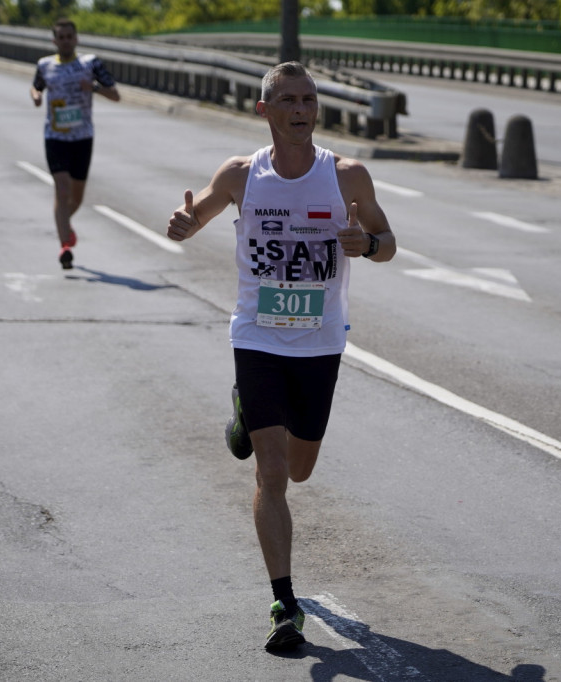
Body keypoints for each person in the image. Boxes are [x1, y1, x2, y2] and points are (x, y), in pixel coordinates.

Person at [167, 61, 396, 651]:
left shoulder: (347, 177)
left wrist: (366, 244)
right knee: (271, 474)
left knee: (300, 467)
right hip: (258, 337)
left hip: (320, 341)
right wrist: (186, 225)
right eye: (289, 100)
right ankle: (284, 603)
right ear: (265, 110)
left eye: (309, 100)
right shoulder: (244, 175)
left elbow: (388, 242)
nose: (301, 110)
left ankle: (244, 414)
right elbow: (200, 214)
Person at [30, 18, 119, 270]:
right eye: (61, 36)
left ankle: (64, 225)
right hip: (55, 137)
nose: (66, 40)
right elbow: (35, 87)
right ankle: (64, 247)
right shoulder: (45, 65)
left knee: (77, 196)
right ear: (54, 40)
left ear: (76, 38)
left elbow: (115, 95)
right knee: (61, 189)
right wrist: (36, 96)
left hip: (82, 138)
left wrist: (92, 88)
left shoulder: (90, 64)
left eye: (70, 36)